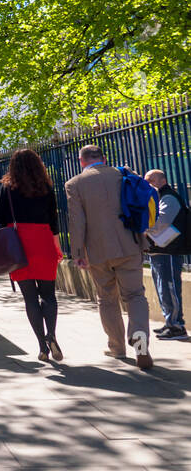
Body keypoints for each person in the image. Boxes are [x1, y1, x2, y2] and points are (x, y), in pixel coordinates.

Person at [65, 145, 154, 369]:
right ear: (104, 158)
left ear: (81, 160)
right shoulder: (123, 174)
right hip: (130, 244)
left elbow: (77, 222)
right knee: (135, 295)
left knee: (107, 298)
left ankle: (117, 347)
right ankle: (140, 340)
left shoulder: (74, 184)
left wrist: (77, 253)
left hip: (98, 250)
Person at [0, 148, 64, 361]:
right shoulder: (46, 187)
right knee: (49, 295)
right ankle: (52, 334)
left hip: (18, 243)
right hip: (43, 240)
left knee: (30, 299)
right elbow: (54, 220)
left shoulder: (7, 187)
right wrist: (56, 245)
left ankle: (42, 345)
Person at [144, 169, 186, 340]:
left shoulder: (168, 197)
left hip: (169, 250)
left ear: (161, 180)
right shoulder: (159, 197)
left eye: (150, 181)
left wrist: (143, 229)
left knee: (170, 287)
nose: (147, 185)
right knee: (163, 289)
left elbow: (161, 222)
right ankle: (170, 322)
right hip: (159, 250)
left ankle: (177, 326)